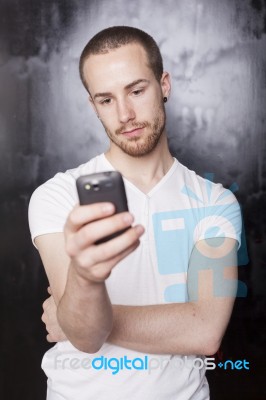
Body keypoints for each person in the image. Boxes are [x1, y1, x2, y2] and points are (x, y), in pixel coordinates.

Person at [28, 26, 242, 400]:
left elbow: (205, 332)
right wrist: (86, 280)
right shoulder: (58, 196)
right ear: (93, 106)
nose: (125, 114)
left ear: (165, 85)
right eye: (106, 100)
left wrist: (79, 318)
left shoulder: (215, 202)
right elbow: (84, 337)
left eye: (137, 91)